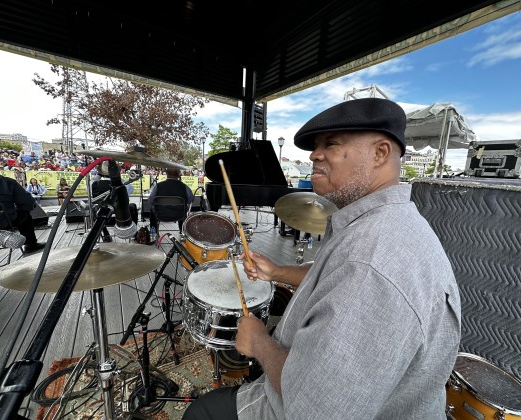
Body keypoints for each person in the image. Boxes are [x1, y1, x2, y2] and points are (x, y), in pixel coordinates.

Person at [183, 98, 461, 419]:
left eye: (331, 144)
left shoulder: (372, 262)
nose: (314, 155)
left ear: (380, 153)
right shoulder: (381, 224)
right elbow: (335, 275)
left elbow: (316, 408)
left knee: (201, 413)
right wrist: (277, 271)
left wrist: (259, 341)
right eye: (316, 146)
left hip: (290, 409)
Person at [0, 155, 46, 253]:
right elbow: (28, 203)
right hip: (4, 221)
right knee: (24, 214)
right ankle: (31, 245)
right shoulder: (7, 182)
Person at [149, 167, 194, 234]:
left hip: (160, 214)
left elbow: (150, 201)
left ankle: (154, 233)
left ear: (166, 174)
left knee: (152, 210)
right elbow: (190, 200)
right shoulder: (184, 187)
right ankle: (182, 231)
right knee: (183, 207)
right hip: (179, 214)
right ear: (178, 175)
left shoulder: (158, 186)